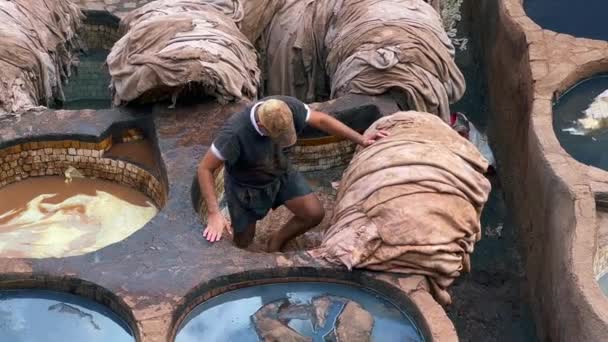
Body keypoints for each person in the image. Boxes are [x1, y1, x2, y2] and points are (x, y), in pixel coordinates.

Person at [197, 95, 388, 251]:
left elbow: (321, 120)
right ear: (262, 127)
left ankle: (276, 241)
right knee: (243, 242)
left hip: (281, 172)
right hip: (247, 187)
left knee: (314, 213)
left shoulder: (286, 107)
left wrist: (361, 139)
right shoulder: (234, 133)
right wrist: (214, 213)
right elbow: (205, 169)